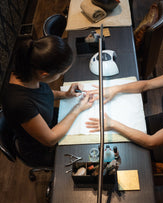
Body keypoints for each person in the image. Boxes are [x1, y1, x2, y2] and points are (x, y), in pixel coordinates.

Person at [86, 40, 163, 164]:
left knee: (123, 153)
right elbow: (146, 84)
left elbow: (151, 142)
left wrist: (112, 124)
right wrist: (115, 89)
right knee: (123, 127)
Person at [2, 36, 94, 167]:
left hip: (48, 121)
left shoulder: (27, 70)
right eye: (61, 74)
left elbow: (41, 94)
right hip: (40, 149)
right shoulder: (19, 102)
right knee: (87, 154)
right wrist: (78, 108)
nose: (61, 76)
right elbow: (50, 139)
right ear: (44, 74)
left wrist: (65, 94)